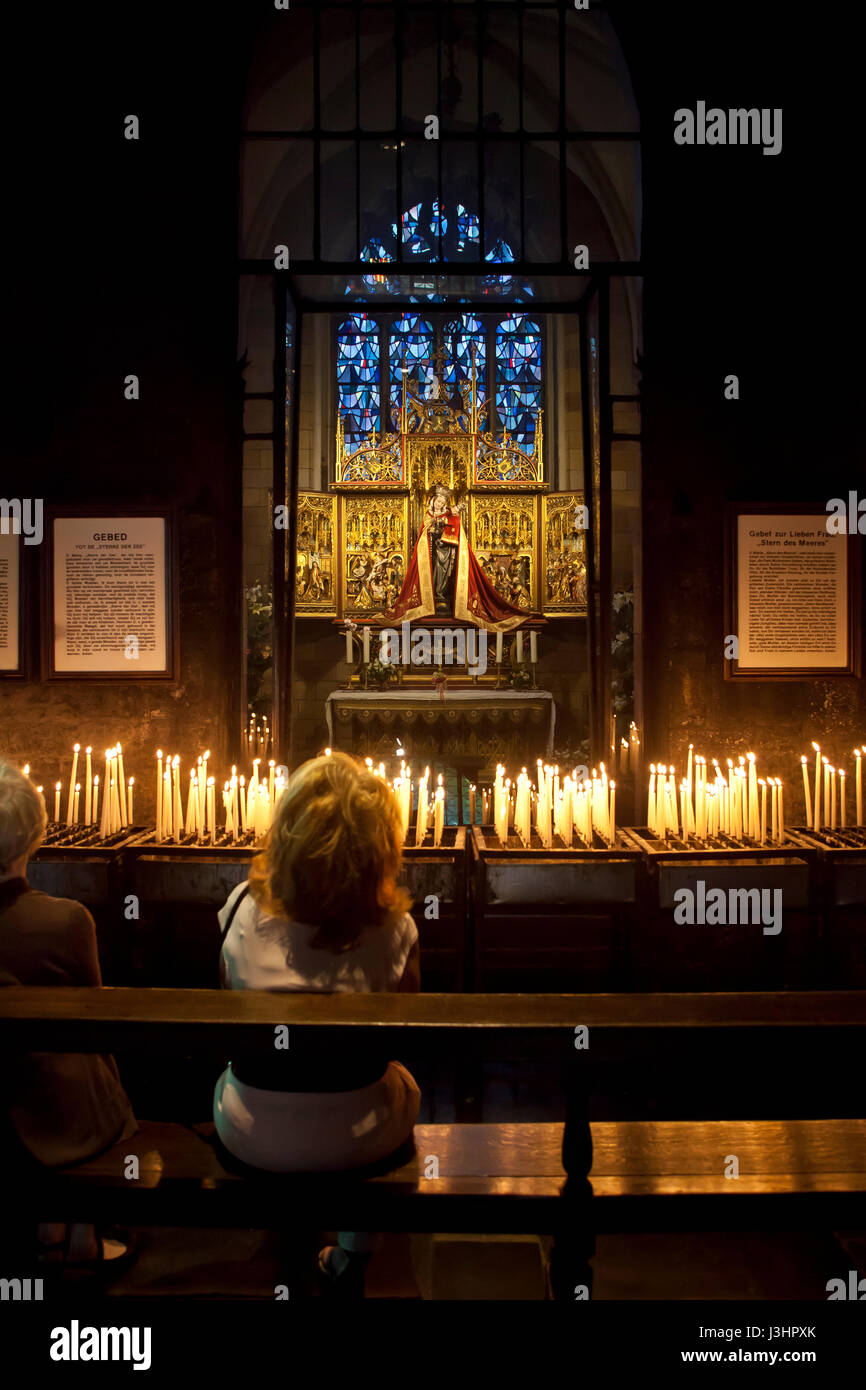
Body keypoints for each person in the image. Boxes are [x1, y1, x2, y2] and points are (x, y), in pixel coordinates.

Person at [214, 751, 421, 1294]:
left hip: (251, 1128)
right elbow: (405, 1033)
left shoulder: (238, 908)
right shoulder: (396, 929)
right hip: (360, 1135)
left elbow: (227, 1010)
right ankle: (353, 1253)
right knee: (398, 1084)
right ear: (378, 845)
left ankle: (288, 1248)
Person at [0, 763, 137, 1274]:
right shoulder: (66, 920)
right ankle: (77, 1229)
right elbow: (94, 1018)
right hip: (59, 1115)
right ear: (36, 835)